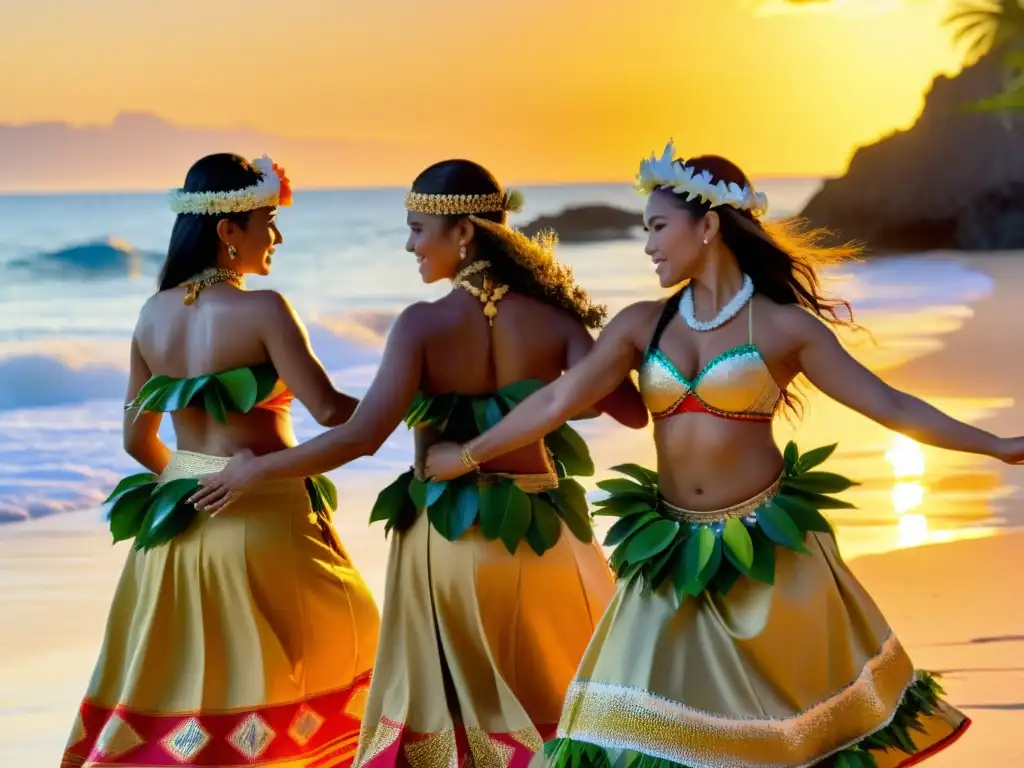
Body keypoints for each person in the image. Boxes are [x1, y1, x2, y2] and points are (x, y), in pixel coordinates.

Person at [420, 142, 1015, 767]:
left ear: (707, 226)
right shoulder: (640, 325)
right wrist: (468, 456)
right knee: (621, 731)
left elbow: (890, 406)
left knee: (783, 741)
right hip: (671, 554)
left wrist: (996, 445)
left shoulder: (784, 328)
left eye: (657, 227)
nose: (647, 244)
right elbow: (557, 401)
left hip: (770, 556)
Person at [187, 158, 649, 767]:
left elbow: (360, 437)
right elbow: (628, 410)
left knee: (457, 734)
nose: (409, 245)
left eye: (417, 229)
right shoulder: (552, 316)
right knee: (563, 707)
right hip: (547, 533)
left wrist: (257, 469)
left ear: (463, 234)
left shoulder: (421, 325)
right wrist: (548, 391)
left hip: (450, 537)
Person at [61, 154, 380, 768]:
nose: (277, 237)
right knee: (355, 641)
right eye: (268, 220)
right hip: (266, 515)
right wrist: (413, 393)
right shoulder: (264, 310)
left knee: (197, 690)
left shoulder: (151, 315)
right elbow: (333, 412)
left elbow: (136, 440)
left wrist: (195, 482)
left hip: (177, 524)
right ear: (227, 231)